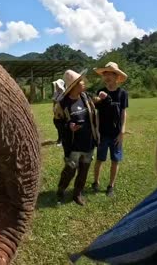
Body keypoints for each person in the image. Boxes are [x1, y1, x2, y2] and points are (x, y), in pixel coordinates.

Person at [54, 69, 100, 206]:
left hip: (89, 142)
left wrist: (103, 98)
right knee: (70, 169)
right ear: (73, 86)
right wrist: (69, 126)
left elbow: (95, 105)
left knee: (84, 169)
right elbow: (57, 122)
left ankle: (77, 193)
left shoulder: (85, 97)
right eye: (81, 82)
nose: (84, 83)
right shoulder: (62, 103)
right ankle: (61, 189)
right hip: (73, 144)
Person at [91, 62, 129, 197]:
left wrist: (122, 130)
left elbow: (123, 112)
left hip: (116, 134)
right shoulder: (100, 92)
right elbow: (97, 113)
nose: (106, 76)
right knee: (100, 159)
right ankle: (95, 182)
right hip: (103, 133)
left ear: (116, 76)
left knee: (115, 160)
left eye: (110, 73)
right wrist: (96, 131)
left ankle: (111, 186)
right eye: (104, 73)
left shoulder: (122, 93)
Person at [52, 79, 66, 146]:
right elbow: (54, 101)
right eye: (56, 85)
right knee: (56, 123)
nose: (56, 86)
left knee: (61, 125)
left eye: (57, 85)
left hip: (61, 110)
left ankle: (61, 140)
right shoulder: (56, 93)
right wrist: (53, 108)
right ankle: (59, 138)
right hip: (56, 110)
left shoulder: (64, 93)